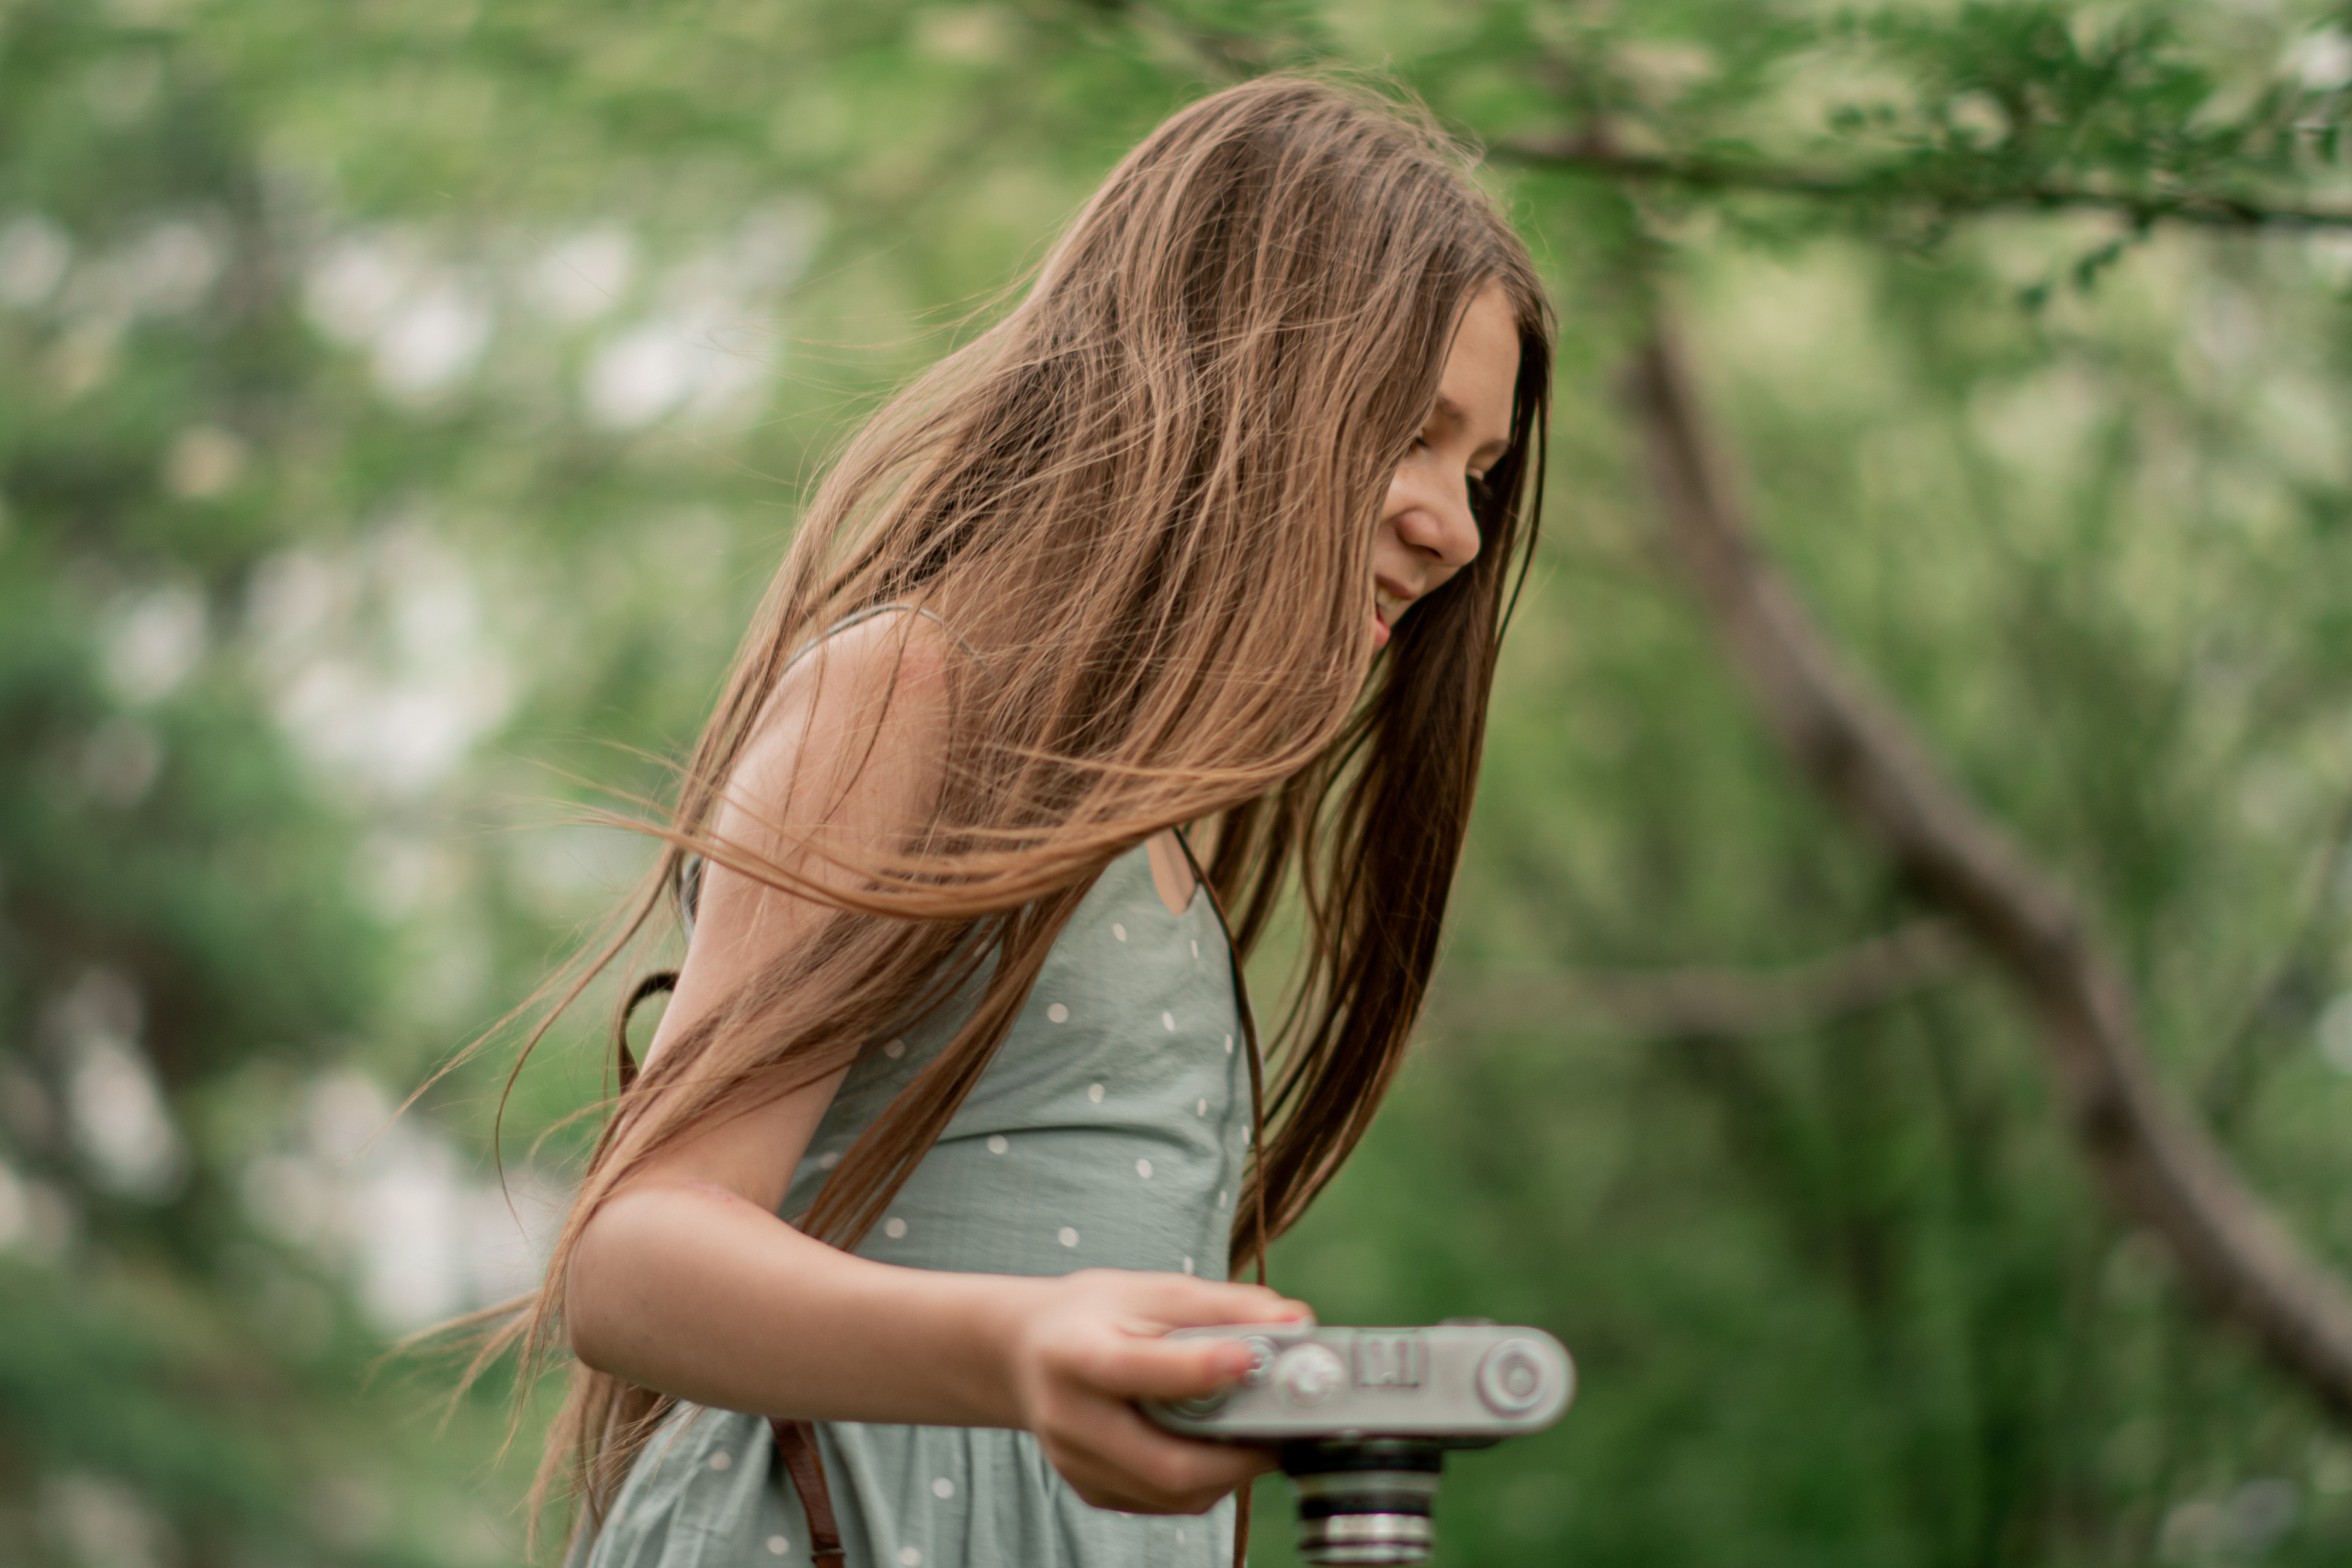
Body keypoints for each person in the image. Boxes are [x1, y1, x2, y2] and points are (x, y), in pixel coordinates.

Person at [499, 73, 1554, 1568]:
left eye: (1481, 472)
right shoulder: (916, 693)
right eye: (1408, 433)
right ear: (1219, 370)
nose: (1451, 524)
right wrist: (1023, 1347)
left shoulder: (1159, 833)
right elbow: (632, 1257)